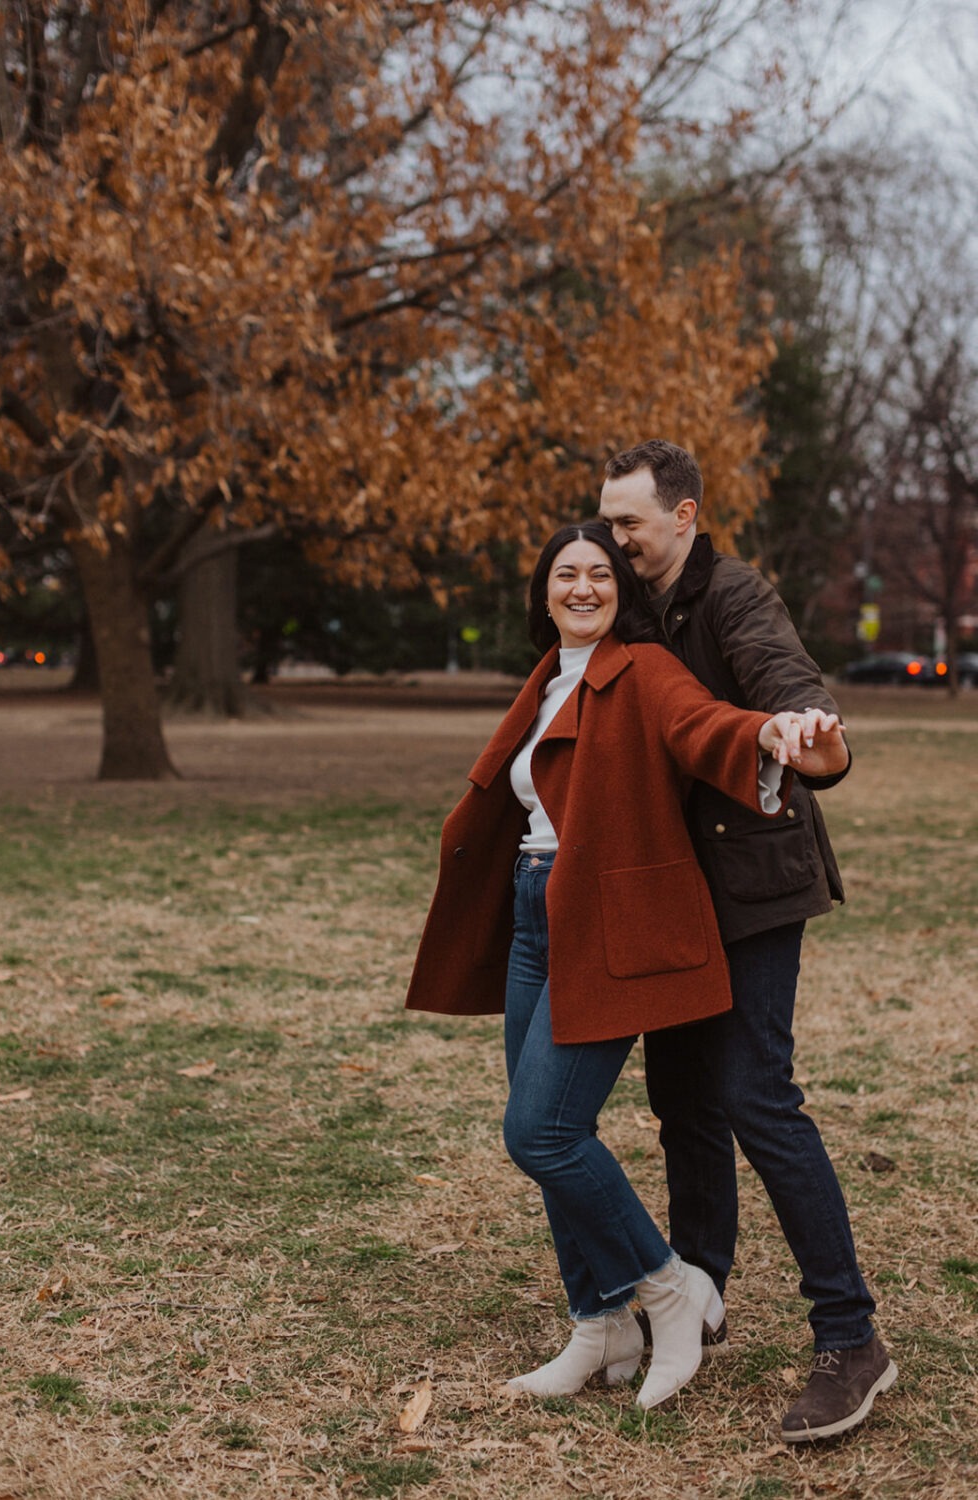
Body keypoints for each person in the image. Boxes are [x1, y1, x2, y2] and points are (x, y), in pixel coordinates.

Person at [405, 522, 848, 1411]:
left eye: (598, 574)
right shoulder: (546, 680)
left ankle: (669, 1287)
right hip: (535, 914)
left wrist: (779, 737)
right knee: (541, 1136)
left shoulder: (643, 668)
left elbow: (706, 727)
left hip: (601, 921)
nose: (581, 587)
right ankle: (599, 1320)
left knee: (542, 1132)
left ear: (621, 592)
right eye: (564, 573)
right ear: (542, 592)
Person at [598, 439, 897, 1442]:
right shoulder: (632, 602)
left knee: (754, 1091)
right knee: (681, 1093)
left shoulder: (733, 593)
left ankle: (850, 1336)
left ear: (684, 515)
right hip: (675, 889)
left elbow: (784, 679)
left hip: (757, 883)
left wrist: (807, 735)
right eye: (608, 519)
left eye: (630, 520)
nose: (616, 536)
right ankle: (701, 1289)